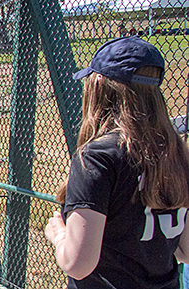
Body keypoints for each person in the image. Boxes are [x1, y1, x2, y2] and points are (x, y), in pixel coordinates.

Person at [43, 36, 189, 288]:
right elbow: (186, 251)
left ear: (99, 87)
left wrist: (58, 234)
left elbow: (78, 264)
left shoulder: (98, 157)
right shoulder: (177, 154)